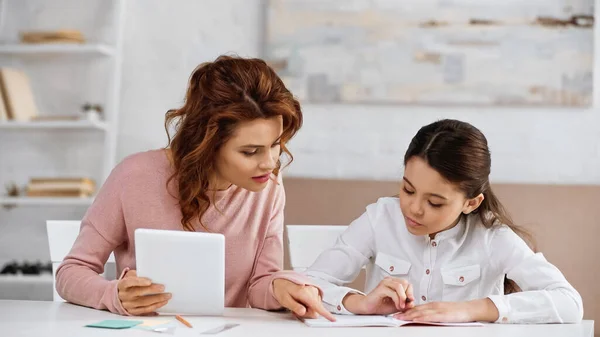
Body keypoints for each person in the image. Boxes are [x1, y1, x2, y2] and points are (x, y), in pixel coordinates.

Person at [56, 55, 333, 321]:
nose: (270, 163)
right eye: (250, 152)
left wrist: (284, 287)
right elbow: (71, 272)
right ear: (207, 144)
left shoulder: (268, 186)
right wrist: (112, 294)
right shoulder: (133, 176)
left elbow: (260, 283)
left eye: (276, 145)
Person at [305, 119, 583, 324]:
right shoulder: (380, 218)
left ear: (471, 202)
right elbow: (310, 283)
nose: (413, 209)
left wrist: (473, 309)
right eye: (408, 189)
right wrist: (361, 303)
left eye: (435, 202)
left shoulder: (492, 237)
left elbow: (569, 303)